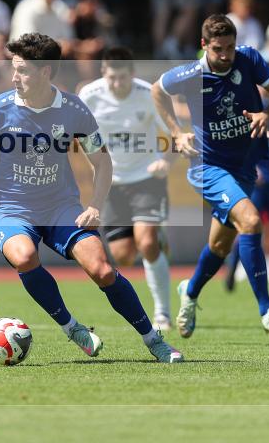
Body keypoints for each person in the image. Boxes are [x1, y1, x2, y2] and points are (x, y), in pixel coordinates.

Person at [0, 32, 183, 363]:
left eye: (22, 70)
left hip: (61, 206)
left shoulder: (74, 110)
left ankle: (154, 340)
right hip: (11, 208)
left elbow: (102, 160)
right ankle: (72, 327)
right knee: (24, 256)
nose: (14, 77)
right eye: (13, 69)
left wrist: (94, 206)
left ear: (45, 72)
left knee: (103, 269)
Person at [151, 14, 269, 338]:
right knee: (252, 221)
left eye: (230, 47)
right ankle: (267, 309)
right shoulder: (189, 73)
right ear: (204, 45)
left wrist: (265, 113)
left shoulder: (250, 59)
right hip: (208, 167)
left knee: (219, 245)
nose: (226, 55)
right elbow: (156, 91)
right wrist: (176, 131)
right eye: (218, 49)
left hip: (243, 166)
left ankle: (189, 292)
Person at [79, 47, 173, 331]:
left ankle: (163, 314)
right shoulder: (90, 96)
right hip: (112, 184)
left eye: (123, 77)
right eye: (112, 78)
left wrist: (165, 161)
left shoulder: (149, 94)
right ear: (103, 74)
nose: (117, 84)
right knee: (123, 255)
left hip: (147, 178)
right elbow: (81, 135)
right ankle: (159, 238)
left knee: (146, 243)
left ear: (132, 74)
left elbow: (174, 134)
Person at [224, 111, 269, 294]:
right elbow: (234, 143)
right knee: (248, 225)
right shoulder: (245, 106)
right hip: (256, 180)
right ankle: (232, 268)